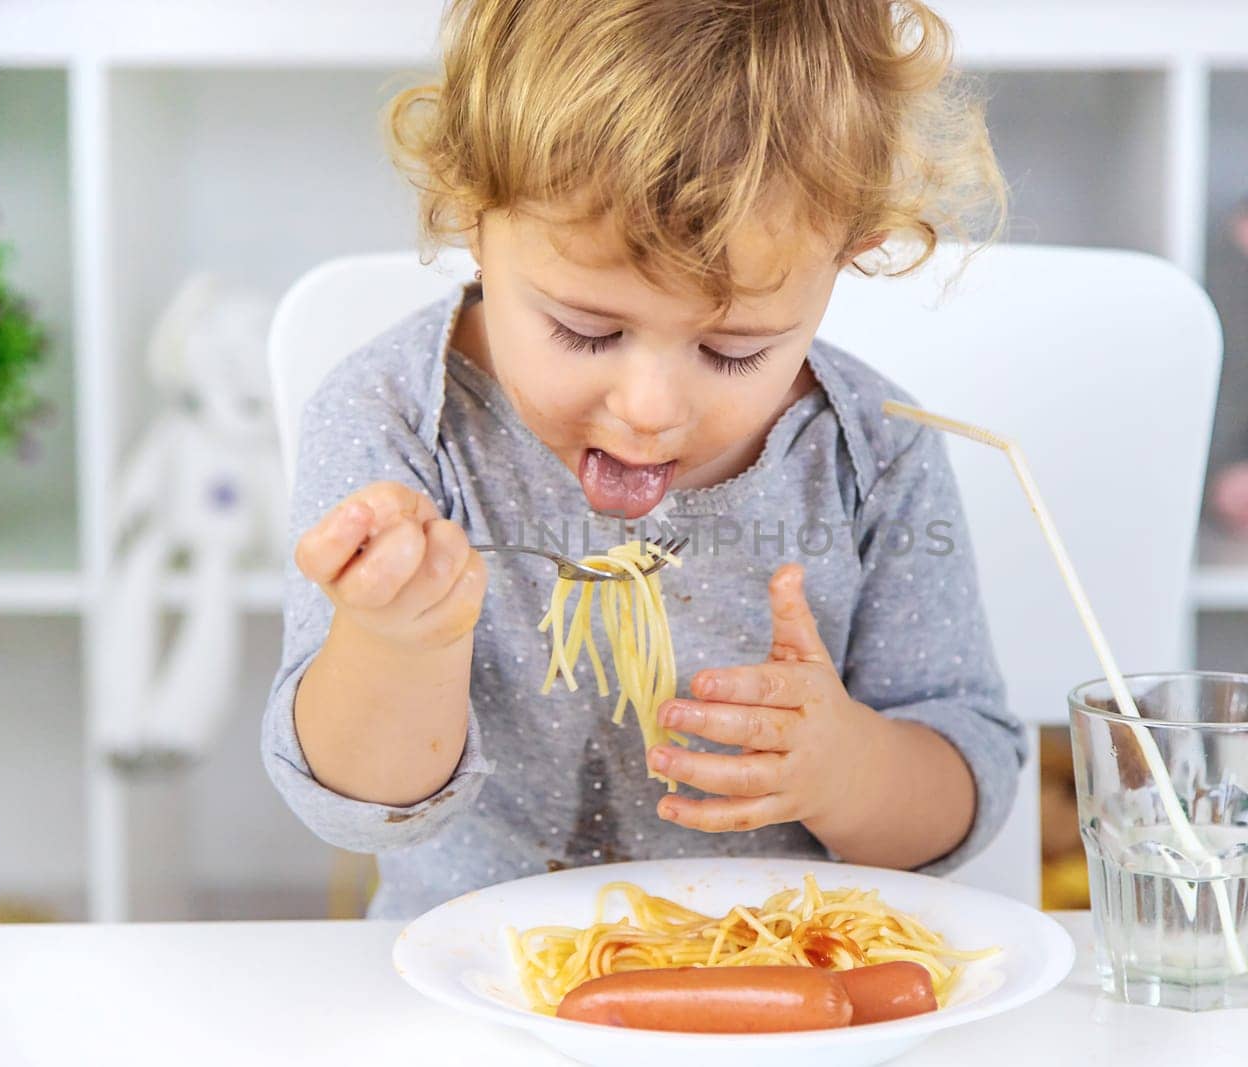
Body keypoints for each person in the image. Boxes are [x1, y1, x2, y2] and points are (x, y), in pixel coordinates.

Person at [263, 0, 1026, 919]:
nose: (652, 410)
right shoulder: (395, 424)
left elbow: (963, 786)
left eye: (734, 350)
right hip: (471, 986)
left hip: (780, 979)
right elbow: (361, 806)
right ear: (470, 212)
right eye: (587, 331)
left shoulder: (875, 449)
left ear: (848, 256)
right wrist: (396, 641)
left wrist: (847, 768)